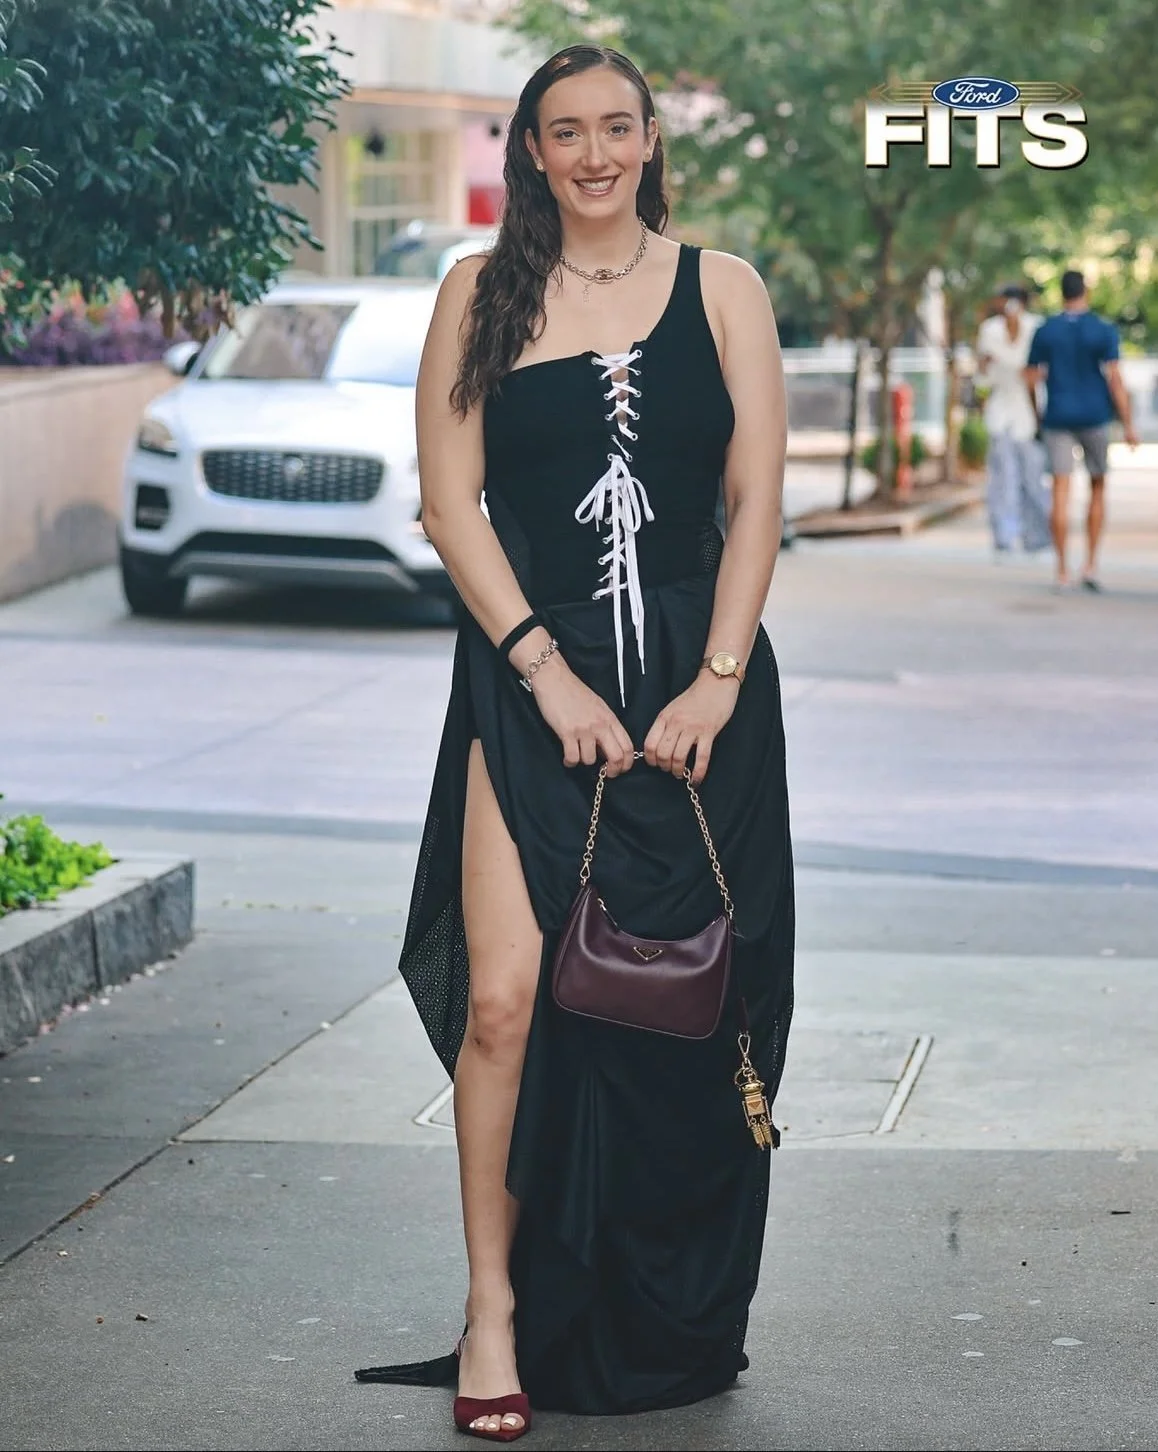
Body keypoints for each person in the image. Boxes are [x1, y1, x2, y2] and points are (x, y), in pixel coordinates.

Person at [354, 42, 794, 1442]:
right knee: (506, 999)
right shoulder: (475, 294)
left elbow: (756, 501)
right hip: (526, 683)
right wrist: (541, 671)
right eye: (564, 131)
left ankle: (654, 1308)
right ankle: (493, 1306)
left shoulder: (723, 289)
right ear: (529, 152)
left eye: (617, 126)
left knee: (682, 1003)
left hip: (699, 690)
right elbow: (449, 506)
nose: (594, 152)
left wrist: (716, 678)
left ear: (651, 138)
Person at [1025, 269, 1140, 591]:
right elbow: (1115, 379)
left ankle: (1062, 570)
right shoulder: (1102, 329)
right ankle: (1090, 565)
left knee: (1060, 491)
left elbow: (1032, 377)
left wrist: (1036, 415)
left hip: (1057, 416)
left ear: (1061, 292)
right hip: (1095, 416)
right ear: (1085, 291)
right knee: (1098, 487)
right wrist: (1129, 424)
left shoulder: (1046, 330)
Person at [976, 284, 1050, 554]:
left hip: (1029, 411)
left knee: (1032, 477)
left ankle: (1037, 536)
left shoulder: (1035, 328)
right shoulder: (990, 330)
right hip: (1001, 410)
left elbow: (1039, 372)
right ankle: (1004, 536)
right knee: (1002, 477)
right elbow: (984, 375)